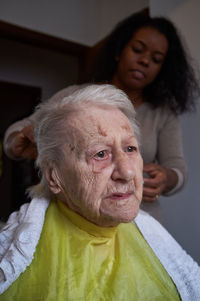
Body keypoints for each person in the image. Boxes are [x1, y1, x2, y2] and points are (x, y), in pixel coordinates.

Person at [0, 85, 199, 300]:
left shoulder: (155, 239)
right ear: (54, 177)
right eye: (101, 153)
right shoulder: (18, 255)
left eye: (130, 148)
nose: (129, 171)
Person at [3, 13, 199, 217]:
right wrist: (19, 141)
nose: (144, 61)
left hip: (139, 219)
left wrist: (168, 177)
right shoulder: (74, 97)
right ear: (119, 51)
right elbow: (17, 132)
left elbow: (178, 170)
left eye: (156, 59)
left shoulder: (162, 115)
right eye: (137, 50)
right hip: (74, 217)